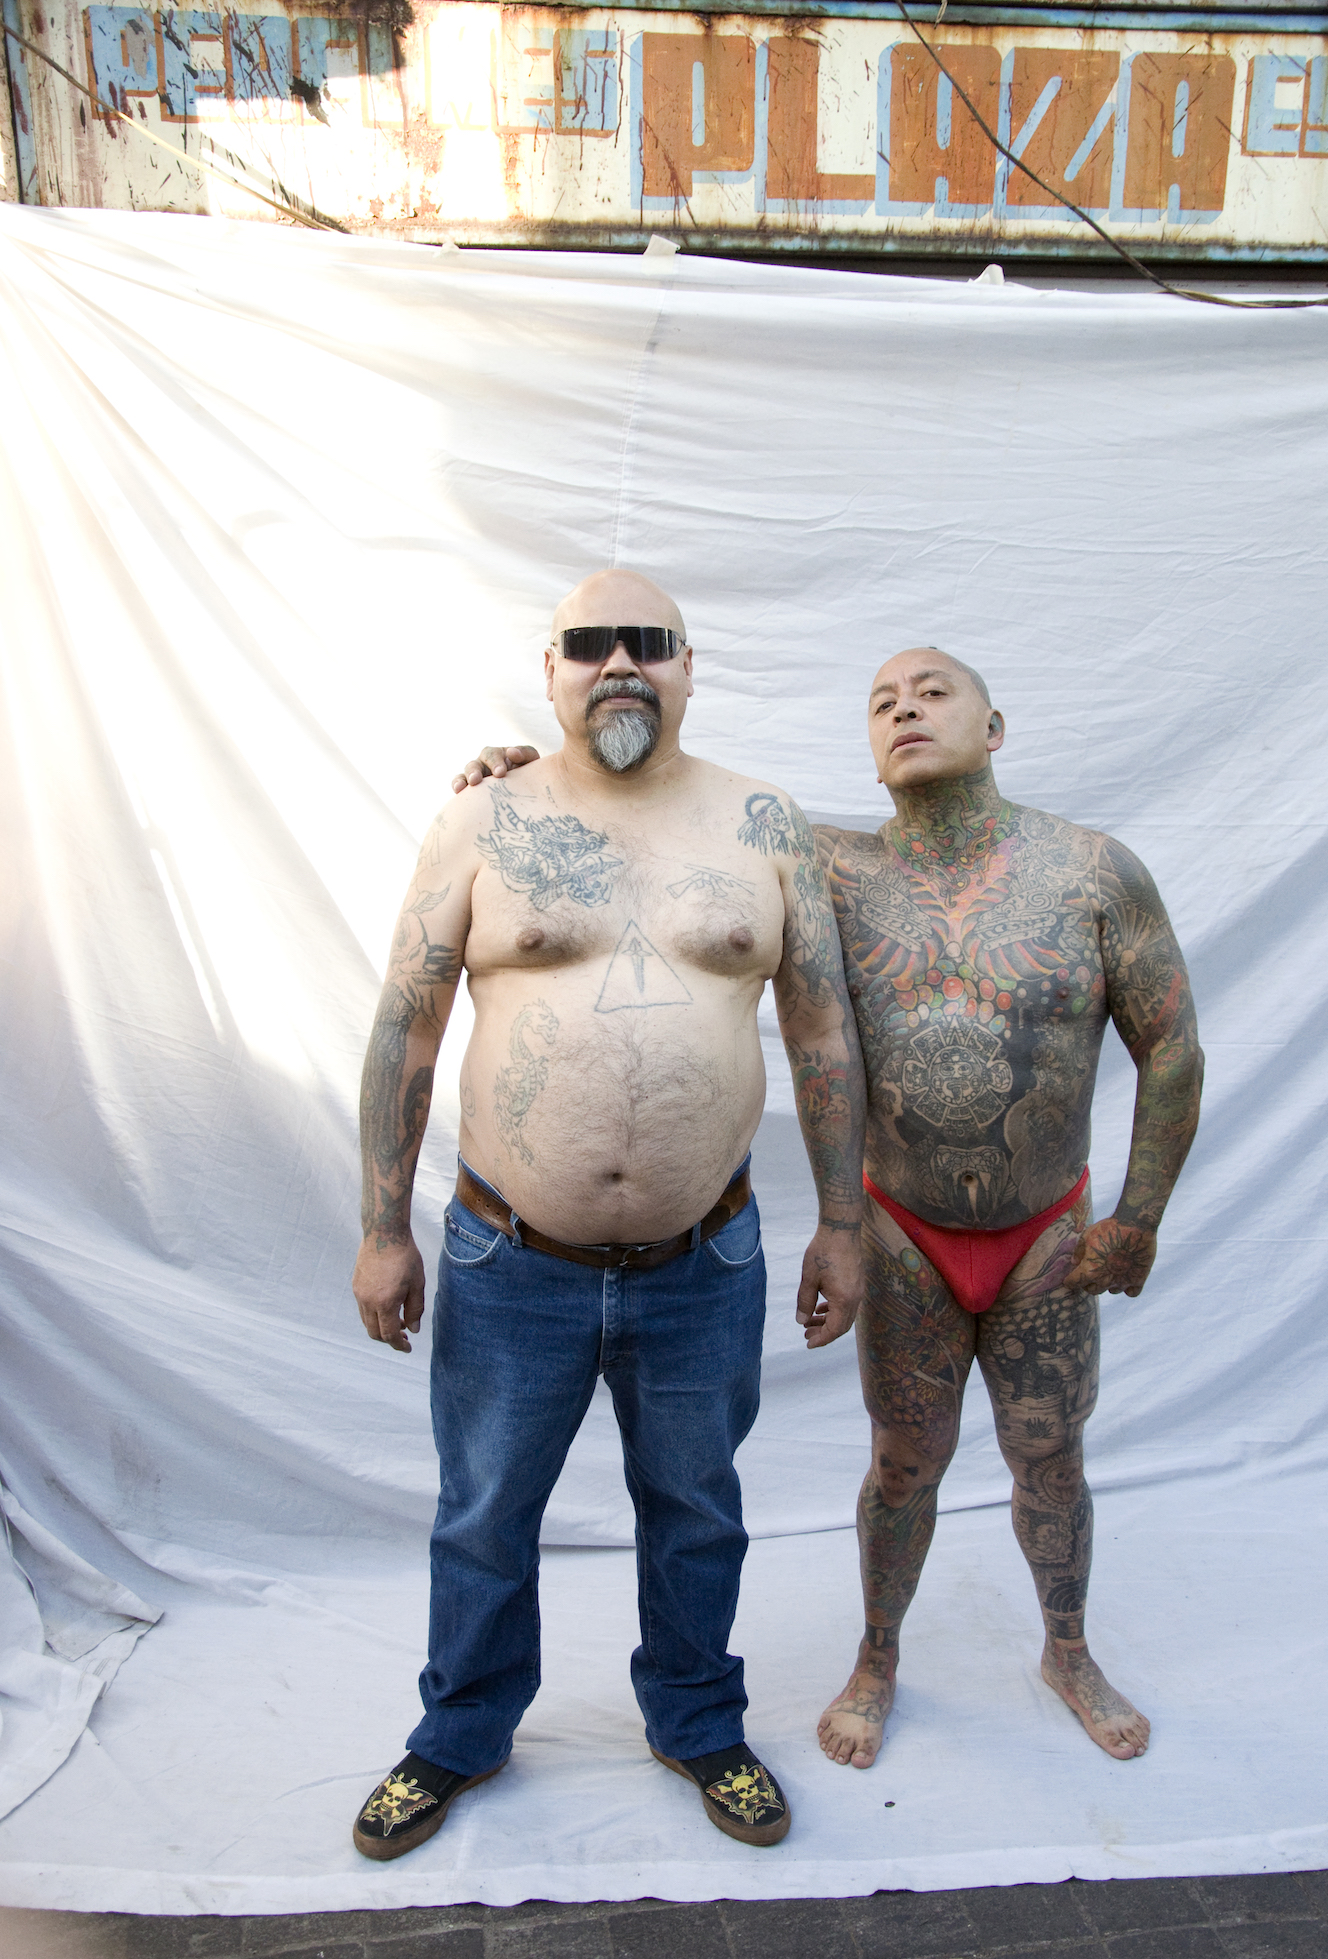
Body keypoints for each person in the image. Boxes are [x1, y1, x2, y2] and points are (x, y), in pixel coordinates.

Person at [459, 643, 1203, 1774]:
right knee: (903, 1461)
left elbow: (1171, 1046)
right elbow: (668, 826)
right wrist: (544, 776)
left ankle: (1068, 1650)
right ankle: (876, 1657)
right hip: (900, 1229)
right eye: (882, 701)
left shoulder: (1093, 871)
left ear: (994, 726)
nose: (905, 709)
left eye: (933, 693)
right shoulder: (826, 864)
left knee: (1050, 1455)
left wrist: (1138, 1215)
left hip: (1047, 1227)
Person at [350, 570, 864, 1860]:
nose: (619, 661)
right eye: (590, 642)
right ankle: (458, 1732)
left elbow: (821, 1034)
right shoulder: (483, 817)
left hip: (706, 1255)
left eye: (649, 641)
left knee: (696, 1505)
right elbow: (407, 1026)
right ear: (551, 670)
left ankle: (697, 1721)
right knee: (483, 1511)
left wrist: (842, 1222)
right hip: (509, 1253)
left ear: (689, 666)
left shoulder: (763, 821)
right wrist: (381, 1226)